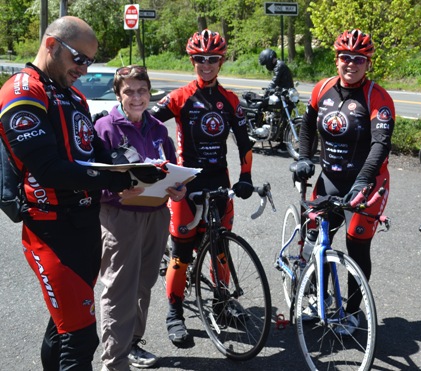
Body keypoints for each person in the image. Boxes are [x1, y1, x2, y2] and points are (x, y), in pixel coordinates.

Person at [0, 16, 165, 370]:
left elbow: (94, 152)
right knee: (80, 337)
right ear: (51, 45)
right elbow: (47, 169)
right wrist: (117, 180)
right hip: (51, 231)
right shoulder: (23, 89)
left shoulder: (73, 95)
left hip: (87, 227)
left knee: (61, 330)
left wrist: (133, 169)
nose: (84, 69)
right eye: (79, 58)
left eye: (90, 61)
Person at [150, 29, 254, 346]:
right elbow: (148, 122)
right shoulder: (181, 97)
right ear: (192, 60)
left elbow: (245, 142)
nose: (205, 64)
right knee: (181, 251)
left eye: (212, 59)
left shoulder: (230, 100)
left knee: (220, 247)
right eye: (199, 59)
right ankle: (174, 314)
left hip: (219, 181)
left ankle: (221, 304)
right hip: (186, 184)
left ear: (221, 61)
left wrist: (246, 176)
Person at [294, 29, 395, 336]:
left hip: (367, 184)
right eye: (345, 57)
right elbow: (308, 126)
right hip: (330, 178)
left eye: (359, 59)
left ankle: (352, 312)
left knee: (356, 247)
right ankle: (318, 298)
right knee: (316, 241)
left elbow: (381, 144)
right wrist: (304, 156)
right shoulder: (323, 88)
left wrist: (364, 179)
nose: (351, 63)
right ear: (336, 59)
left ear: (368, 63)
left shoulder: (376, 97)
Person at [94, 66, 186, 370]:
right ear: (119, 94)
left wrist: (178, 190)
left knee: (144, 284)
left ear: (149, 93)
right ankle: (114, 361)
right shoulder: (105, 128)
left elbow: (171, 168)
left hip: (157, 214)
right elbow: (93, 178)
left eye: (142, 90)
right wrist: (116, 192)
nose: (137, 97)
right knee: (119, 289)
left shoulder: (158, 128)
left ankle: (132, 344)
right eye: (129, 91)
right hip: (121, 216)